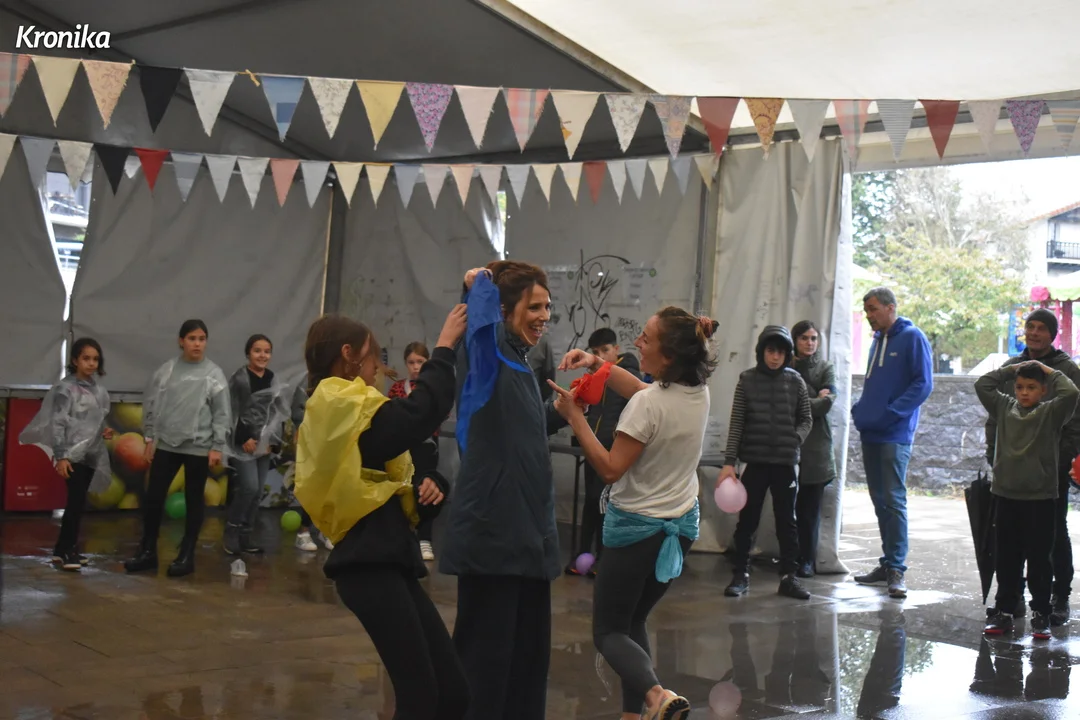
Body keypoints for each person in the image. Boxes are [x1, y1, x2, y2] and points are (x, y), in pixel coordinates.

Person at [295, 306, 469, 720]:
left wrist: (433, 484)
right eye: (374, 356)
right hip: (368, 566)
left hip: (390, 559)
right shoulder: (335, 405)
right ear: (349, 354)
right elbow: (416, 415)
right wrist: (444, 348)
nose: (377, 368)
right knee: (420, 698)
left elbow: (382, 466)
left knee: (452, 694)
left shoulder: (351, 409)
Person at [550, 308, 715, 720]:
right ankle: (633, 714)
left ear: (669, 356)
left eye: (646, 338)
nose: (637, 342)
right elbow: (642, 388)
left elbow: (610, 469)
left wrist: (575, 418)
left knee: (608, 631)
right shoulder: (697, 392)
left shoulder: (647, 405)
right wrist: (595, 363)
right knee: (633, 621)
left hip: (637, 533)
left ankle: (657, 696)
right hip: (679, 528)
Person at [440, 261, 565, 720]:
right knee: (485, 665)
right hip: (494, 537)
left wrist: (565, 409)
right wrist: (477, 285)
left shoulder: (520, 364)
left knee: (527, 663)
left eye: (547, 307)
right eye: (534, 307)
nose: (544, 316)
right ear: (504, 310)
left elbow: (522, 431)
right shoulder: (488, 354)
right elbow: (479, 327)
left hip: (529, 538)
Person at [985, 308, 1080, 624]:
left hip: (1049, 473)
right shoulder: (1013, 368)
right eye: (1030, 326)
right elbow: (995, 414)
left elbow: (1076, 420)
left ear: (1052, 335)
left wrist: (1058, 458)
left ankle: (1058, 597)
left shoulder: (1066, 370)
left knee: (1052, 536)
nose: (1034, 333)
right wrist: (994, 454)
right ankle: (1011, 599)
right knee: (1010, 540)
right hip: (1011, 473)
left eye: (1041, 328)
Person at [125, 319, 231, 578]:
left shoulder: (214, 374)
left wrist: (217, 446)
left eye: (202, 339)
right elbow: (152, 403)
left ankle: (186, 555)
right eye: (192, 338)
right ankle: (147, 551)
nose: (197, 344)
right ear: (181, 341)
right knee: (154, 497)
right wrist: (149, 437)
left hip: (199, 447)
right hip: (167, 444)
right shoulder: (167, 370)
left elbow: (222, 413)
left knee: (194, 501)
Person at [719, 325, 813, 600]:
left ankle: (789, 577)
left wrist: (795, 439)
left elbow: (806, 419)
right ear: (761, 352)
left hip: (785, 464)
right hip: (755, 463)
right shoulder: (747, 380)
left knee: (787, 522)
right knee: (747, 520)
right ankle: (740, 574)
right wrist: (729, 462)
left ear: (787, 354)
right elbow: (737, 423)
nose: (775, 357)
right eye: (771, 351)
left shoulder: (796, 381)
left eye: (780, 352)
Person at [851, 287, 933, 599]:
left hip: (895, 434)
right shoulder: (877, 341)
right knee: (879, 499)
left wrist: (892, 412)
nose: (869, 315)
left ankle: (897, 568)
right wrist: (861, 410)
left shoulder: (912, 337)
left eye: (873, 309)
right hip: (871, 431)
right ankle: (887, 563)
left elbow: (923, 384)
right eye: (866, 310)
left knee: (893, 499)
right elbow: (875, 383)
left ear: (890, 307)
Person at [19, 338, 113, 571]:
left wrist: (104, 430)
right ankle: (67, 550)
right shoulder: (65, 389)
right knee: (75, 503)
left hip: (90, 453)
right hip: (72, 455)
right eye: (86, 358)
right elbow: (58, 423)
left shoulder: (98, 390)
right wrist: (61, 456)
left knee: (79, 503)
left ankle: (64, 549)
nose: (91, 363)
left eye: (95, 359)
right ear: (74, 360)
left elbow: (93, 420)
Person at [565, 327, 642, 577]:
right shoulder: (594, 374)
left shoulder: (628, 376)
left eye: (605, 350)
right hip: (593, 448)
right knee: (591, 501)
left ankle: (602, 558)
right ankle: (581, 556)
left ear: (616, 349)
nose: (601, 356)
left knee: (604, 504)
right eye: (596, 352)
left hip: (613, 451)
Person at [224, 334, 288, 556]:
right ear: (248, 353)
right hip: (244, 443)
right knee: (249, 487)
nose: (262, 355)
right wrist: (243, 438)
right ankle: (231, 533)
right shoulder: (240, 379)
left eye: (267, 351)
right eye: (257, 351)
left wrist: (274, 441)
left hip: (264, 444)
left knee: (258, 491)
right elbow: (231, 410)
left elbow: (277, 411)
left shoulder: (272, 379)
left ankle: (246, 536)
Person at [389, 341, 450, 562]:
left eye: (420, 362)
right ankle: (402, 538)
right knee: (400, 489)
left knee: (426, 489)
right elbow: (389, 413)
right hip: (402, 447)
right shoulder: (397, 388)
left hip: (426, 445)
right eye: (411, 362)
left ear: (428, 362)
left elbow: (442, 410)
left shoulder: (432, 387)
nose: (415, 367)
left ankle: (425, 539)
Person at [790, 320, 838, 578]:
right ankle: (789, 556)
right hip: (788, 445)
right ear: (795, 340)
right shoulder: (785, 365)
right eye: (804, 338)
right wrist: (813, 399)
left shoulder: (826, 368)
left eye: (814, 338)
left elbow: (827, 404)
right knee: (786, 506)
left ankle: (807, 560)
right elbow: (782, 402)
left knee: (809, 510)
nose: (810, 343)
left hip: (817, 448)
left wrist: (800, 403)